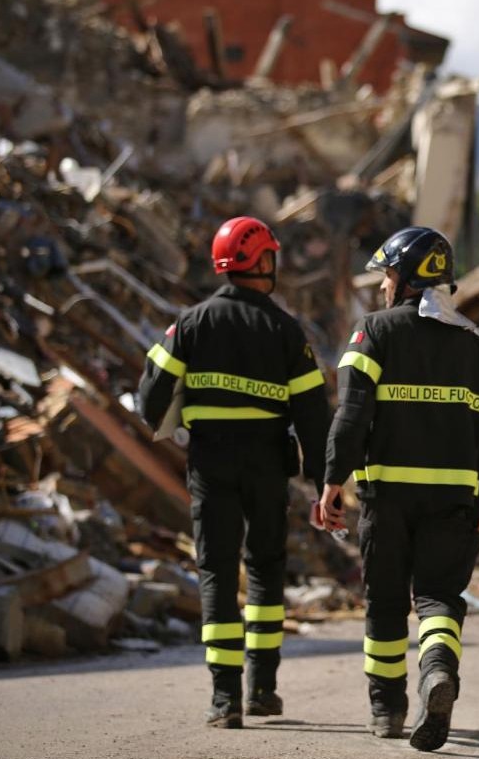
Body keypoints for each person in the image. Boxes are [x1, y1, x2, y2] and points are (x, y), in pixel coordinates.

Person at [137, 216, 329, 728]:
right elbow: (313, 415)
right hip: (268, 467)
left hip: (211, 463)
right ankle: (262, 688)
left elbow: (150, 400)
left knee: (217, 572)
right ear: (263, 261)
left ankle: (225, 701)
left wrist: (174, 418)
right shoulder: (287, 330)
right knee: (265, 571)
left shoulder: (191, 322)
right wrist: (324, 483)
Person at [314, 226, 479, 753]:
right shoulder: (474, 347)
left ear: (404, 278)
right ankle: (437, 671)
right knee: (439, 597)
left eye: (387, 275)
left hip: (387, 497)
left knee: (387, 602)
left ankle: (386, 709)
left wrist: (332, 479)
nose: (382, 285)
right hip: (454, 499)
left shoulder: (372, 331)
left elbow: (350, 417)